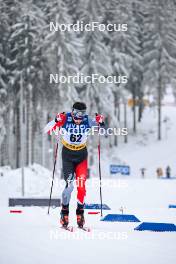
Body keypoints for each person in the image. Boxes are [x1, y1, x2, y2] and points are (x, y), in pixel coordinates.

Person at [51, 102, 104, 228]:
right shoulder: (66, 118)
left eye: (82, 114)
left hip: (81, 156)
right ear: (73, 112)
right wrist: (56, 121)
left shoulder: (87, 120)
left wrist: (101, 122)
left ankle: (80, 213)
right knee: (69, 186)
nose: (79, 118)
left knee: (81, 186)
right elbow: (49, 129)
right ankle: (64, 213)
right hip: (68, 156)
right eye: (77, 115)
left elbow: (103, 130)